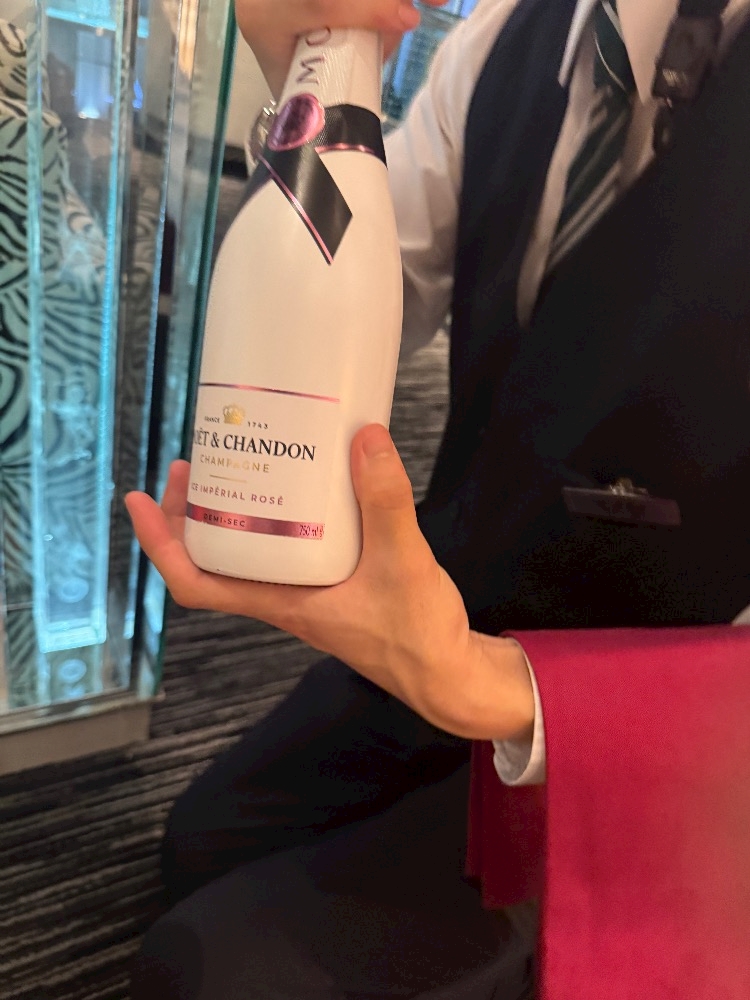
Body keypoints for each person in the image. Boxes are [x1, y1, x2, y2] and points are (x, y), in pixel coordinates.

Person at [127, 0, 750, 997]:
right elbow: (363, 289)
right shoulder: (502, 38)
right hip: (442, 602)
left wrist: (508, 693)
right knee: (200, 844)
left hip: (655, 735)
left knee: (211, 969)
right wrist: (310, 104)